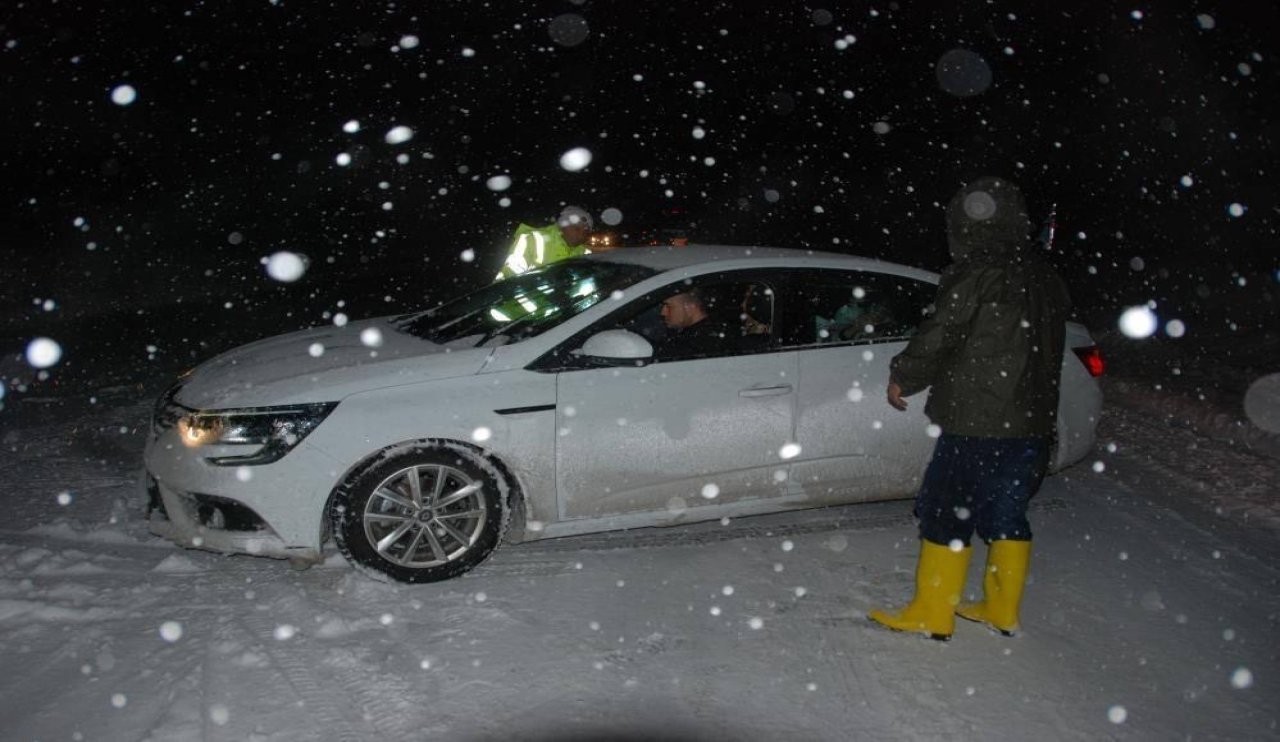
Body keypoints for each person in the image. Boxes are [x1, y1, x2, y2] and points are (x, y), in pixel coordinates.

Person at [867, 175, 1072, 641]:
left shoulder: (977, 271)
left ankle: (932, 612)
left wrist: (905, 374)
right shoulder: (1044, 275)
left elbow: (941, 332)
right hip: (1031, 421)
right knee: (1006, 512)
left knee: (945, 509)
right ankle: (1002, 609)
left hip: (976, 419)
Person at [495, 205, 593, 281]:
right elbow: (509, 280)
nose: (581, 235)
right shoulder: (532, 240)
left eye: (586, 231)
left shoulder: (585, 253)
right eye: (576, 228)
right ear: (563, 225)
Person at [657, 289, 736, 358]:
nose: (663, 312)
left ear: (690, 307)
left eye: (668, 306)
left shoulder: (704, 342)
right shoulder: (689, 334)